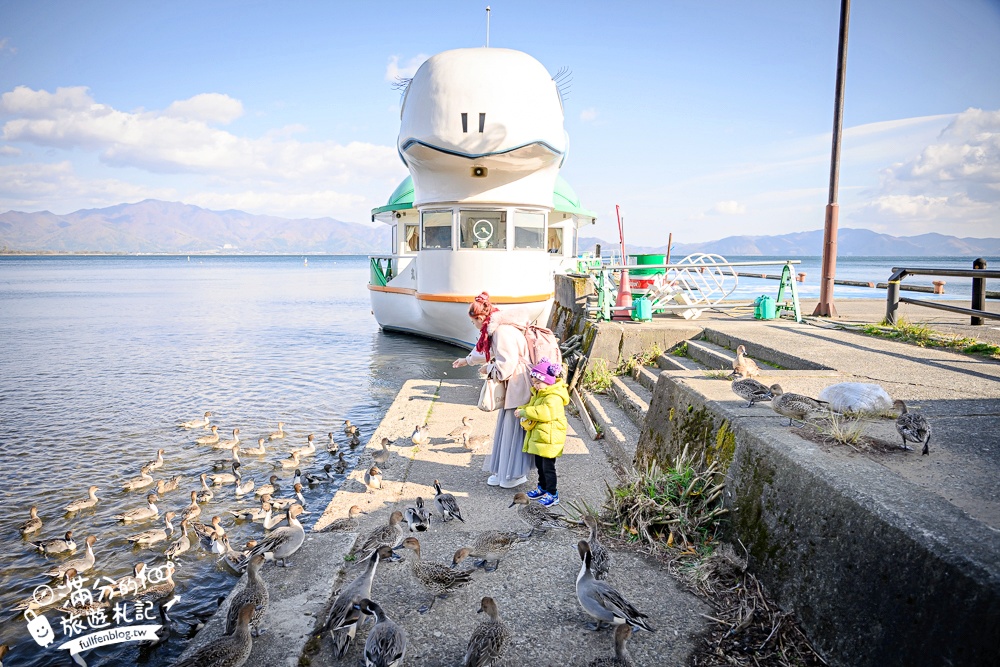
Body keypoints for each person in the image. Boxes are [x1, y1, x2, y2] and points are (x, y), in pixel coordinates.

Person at [453, 292, 533, 488]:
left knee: (513, 428)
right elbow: (488, 352)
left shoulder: (501, 333)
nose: (474, 326)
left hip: (518, 383)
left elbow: (506, 367)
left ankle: (513, 475)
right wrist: (468, 361)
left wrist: (488, 368)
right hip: (517, 382)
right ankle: (506, 472)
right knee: (509, 428)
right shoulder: (500, 330)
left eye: (473, 323)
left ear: (481, 318)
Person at [517, 358, 569, 507]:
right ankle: (542, 487)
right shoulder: (541, 394)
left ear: (548, 381)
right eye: (534, 382)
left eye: (538, 382)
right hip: (542, 437)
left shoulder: (553, 397)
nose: (535, 385)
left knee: (548, 468)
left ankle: (552, 493)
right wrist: (523, 408)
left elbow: (544, 413)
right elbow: (533, 406)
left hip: (550, 438)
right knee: (540, 465)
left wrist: (524, 412)